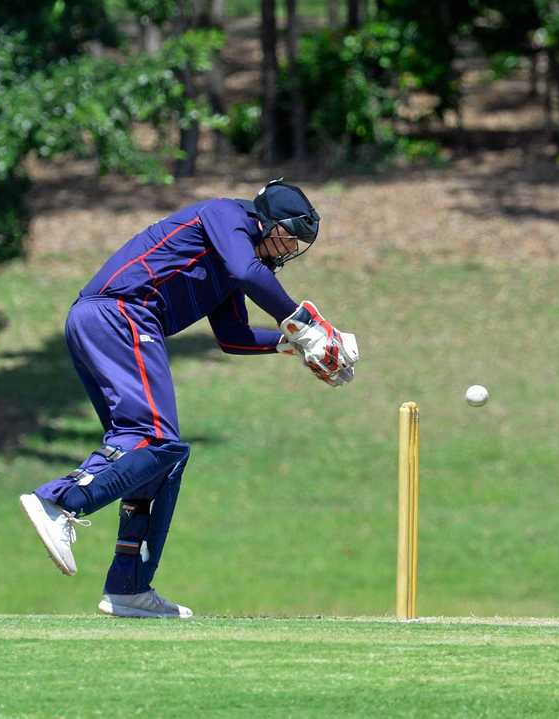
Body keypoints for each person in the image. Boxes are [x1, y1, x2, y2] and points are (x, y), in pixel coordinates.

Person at [18, 179, 359, 618]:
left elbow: (232, 336)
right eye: (287, 236)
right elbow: (245, 273)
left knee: (158, 458)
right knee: (155, 440)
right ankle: (59, 500)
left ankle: (129, 588)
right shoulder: (225, 217)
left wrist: (292, 346)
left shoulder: (240, 261)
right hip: (121, 312)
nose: (289, 247)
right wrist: (307, 326)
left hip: (112, 320)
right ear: (265, 221)